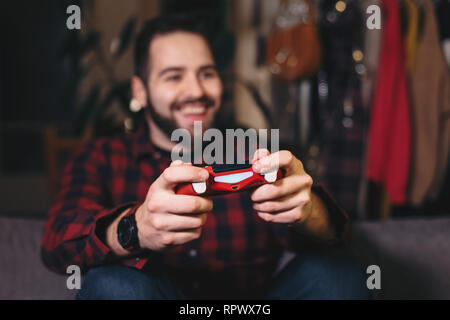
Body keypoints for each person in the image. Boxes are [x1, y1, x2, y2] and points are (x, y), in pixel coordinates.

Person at [41, 14, 369, 300]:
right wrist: (136, 228)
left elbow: (339, 234)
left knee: (337, 275)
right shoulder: (101, 157)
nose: (196, 91)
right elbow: (57, 245)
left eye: (207, 73)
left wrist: (309, 211)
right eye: (173, 76)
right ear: (140, 91)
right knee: (114, 285)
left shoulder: (255, 150)